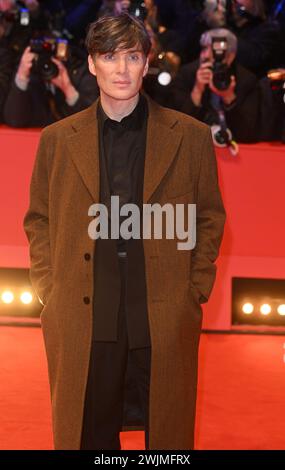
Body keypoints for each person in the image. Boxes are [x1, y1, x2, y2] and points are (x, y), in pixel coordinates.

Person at [23, 13, 226, 450]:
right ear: (92, 64)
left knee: (166, 439)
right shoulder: (57, 140)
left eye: (132, 56)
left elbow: (209, 216)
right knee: (88, 435)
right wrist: (48, 287)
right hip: (84, 310)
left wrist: (194, 288)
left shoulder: (189, 137)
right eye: (109, 57)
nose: (121, 69)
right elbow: (38, 218)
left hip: (163, 310)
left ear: (147, 62)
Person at [170, 28, 260, 143]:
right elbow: (178, 129)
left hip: (234, 147)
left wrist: (229, 98)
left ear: (230, 56)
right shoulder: (187, 74)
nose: (205, 55)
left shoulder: (246, 80)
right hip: (195, 145)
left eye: (216, 53)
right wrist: (197, 91)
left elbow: (248, 134)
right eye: (204, 49)